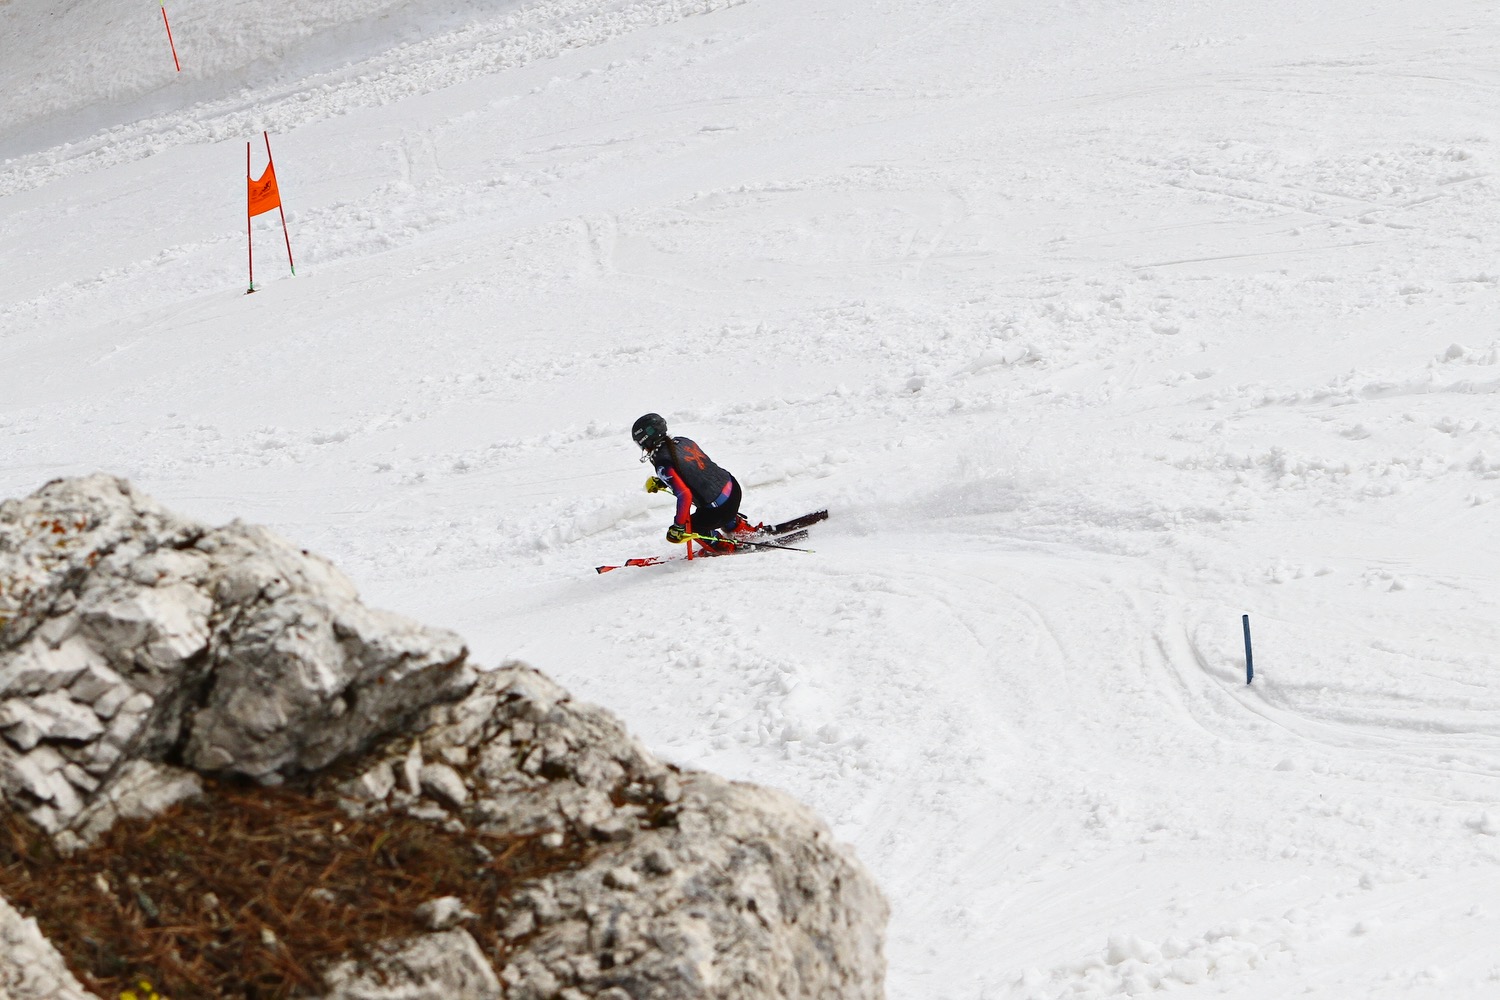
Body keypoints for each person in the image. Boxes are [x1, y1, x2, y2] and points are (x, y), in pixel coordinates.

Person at [632, 413, 757, 551]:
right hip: (733, 489)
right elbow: (696, 472)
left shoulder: (662, 462)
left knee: (689, 526)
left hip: (721, 510)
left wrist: (679, 526)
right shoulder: (682, 440)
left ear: (645, 440)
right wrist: (664, 481)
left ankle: (722, 545)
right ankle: (738, 527)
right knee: (713, 502)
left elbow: (684, 495)